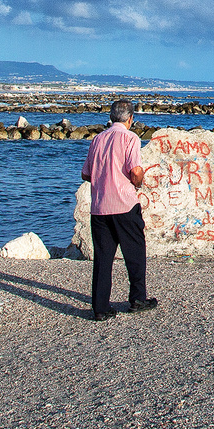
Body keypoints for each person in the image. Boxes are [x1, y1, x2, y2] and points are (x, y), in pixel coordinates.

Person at [80, 98, 157, 320]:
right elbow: (134, 171)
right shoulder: (130, 138)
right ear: (130, 119)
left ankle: (101, 308)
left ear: (111, 117)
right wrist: (139, 180)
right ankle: (138, 298)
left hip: (100, 206)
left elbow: (85, 174)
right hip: (124, 204)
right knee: (134, 251)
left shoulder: (97, 139)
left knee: (103, 258)